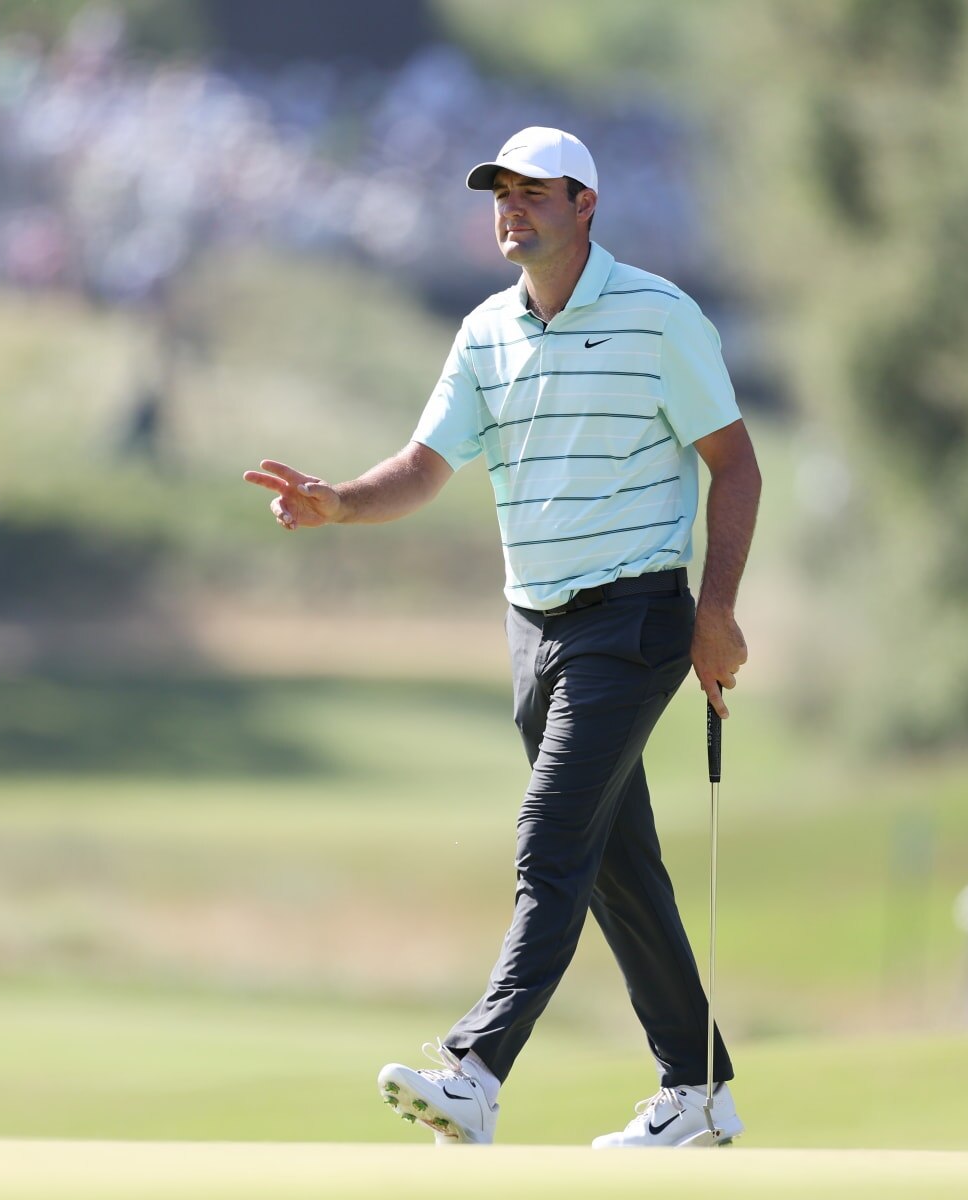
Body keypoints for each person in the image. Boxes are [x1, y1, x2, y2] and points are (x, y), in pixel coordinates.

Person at [243, 127, 761, 1148]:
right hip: (534, 627)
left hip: (637, 616)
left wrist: (717, 608)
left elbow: (735, 465)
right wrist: (340, 503)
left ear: (586, 206)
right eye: (499, 194)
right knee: (613, 859)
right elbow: (428, 464)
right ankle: (698, 1092)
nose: (510, 209)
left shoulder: (660, 318)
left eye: (533, 193)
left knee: (551, 834)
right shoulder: (485, 333)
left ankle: (475, 1073)